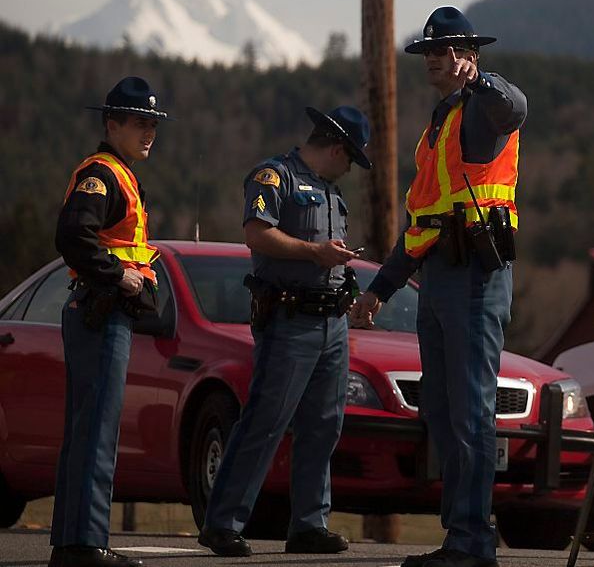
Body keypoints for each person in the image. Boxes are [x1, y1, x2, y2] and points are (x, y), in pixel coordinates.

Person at [350, 6, 526, 567]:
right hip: (440, 279)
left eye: (444, 51)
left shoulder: (479, 109)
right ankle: (461, 535)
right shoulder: (441, 122)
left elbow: (516, 108)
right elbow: (424, 221)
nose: (433, 59)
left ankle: (473, 541)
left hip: (476, 278)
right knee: (447, 412)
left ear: (468, 56)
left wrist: (482, 78)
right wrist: (380, 289)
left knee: (471, 412)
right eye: (429, 52)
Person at [197, 105, 371, 557]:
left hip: (332, 322)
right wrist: (314, 253)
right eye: (350, 157)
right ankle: (222, 523)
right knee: (265, 422)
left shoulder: (331, 194)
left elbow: (326, 258)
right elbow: (257, 234)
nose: (349, 167)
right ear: (336, 148)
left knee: (324, 424)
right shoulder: (275, 178)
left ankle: (310, 524)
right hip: (290, 320)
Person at [50, 76, 169, 567]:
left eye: (154, 125)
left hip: (101, 315)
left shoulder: (119, 173)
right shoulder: (102, 174)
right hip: (101, 315)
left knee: (88, 430)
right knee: (96, 431)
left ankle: (74, 541)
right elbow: (73, 236)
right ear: (112, 123)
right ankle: (86, 544)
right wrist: (119, 275)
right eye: (140, 123)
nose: (149, 134)